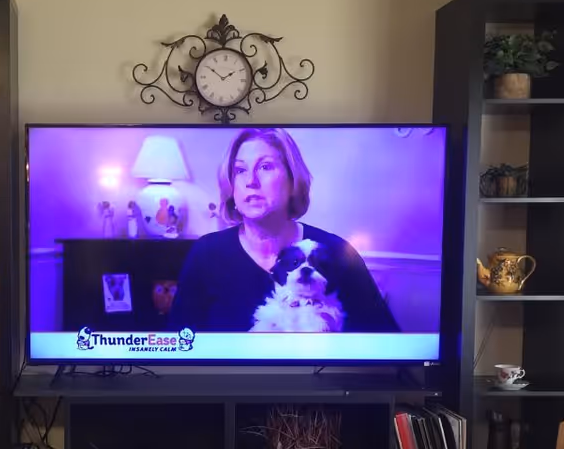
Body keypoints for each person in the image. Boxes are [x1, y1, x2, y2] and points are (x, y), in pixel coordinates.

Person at [169, 128, 398, 333]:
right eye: (240, 170)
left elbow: (389, 347)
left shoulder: (338, 253)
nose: (251, 181)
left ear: (292, 181)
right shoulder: (207, 253)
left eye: (266, 167)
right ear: (231, 185)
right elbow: (178, 345)